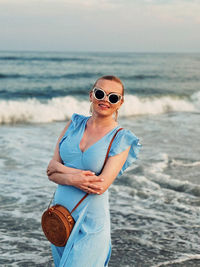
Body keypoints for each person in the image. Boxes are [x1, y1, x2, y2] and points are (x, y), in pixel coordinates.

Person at [46, 75, 141, 267]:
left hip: (91, 223)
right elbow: (50, 171)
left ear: (120, 103)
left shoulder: (122, 138)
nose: (105, 100)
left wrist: (61, 171)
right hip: (60, 219)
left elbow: (99, 186)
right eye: (100, 93)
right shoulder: (73, 124)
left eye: (113, 97)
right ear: (91, 95)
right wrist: (76, 177)